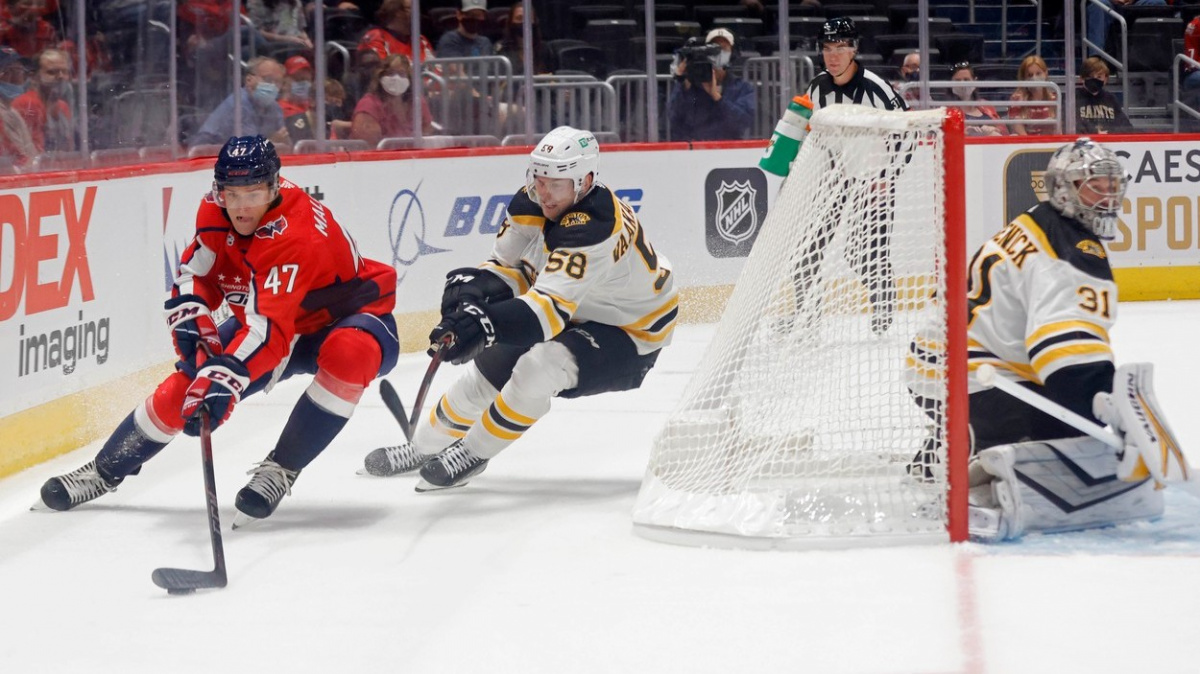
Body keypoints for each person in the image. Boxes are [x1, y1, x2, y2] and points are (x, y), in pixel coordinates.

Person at [35, 135, 400, 526]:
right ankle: (104, 470)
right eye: (232, 193)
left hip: (346, 318)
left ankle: (281, 469)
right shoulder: (215, 208)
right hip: (273, 319)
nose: (241, 207)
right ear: (218, 189)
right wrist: (191, 311)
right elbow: (198, 273)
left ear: (275, 187)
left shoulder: (293, 236)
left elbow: (270, 334)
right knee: (187, 385)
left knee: (349, 354)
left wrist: (226, 378)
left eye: (254, 193)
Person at [361, 126, 677, 490]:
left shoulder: (596, 226)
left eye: (556, 184)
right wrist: (471, 295)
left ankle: (473, 452)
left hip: (631, 332)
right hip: (581, 306)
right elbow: (509, 269)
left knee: (539, 367)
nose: (543, 193)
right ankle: (422, 447)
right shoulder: (533, 202)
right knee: (488, 370)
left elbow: (546, 312)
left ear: (585, 181)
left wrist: (483, 325)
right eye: (539, 179)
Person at [907, 138, 1182, 540]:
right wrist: (1100, 410)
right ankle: (956, 451)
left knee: (1064, 423)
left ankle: (950, 440)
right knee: (1064, 445)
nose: (1107, 196)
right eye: (1095, 185)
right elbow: (1068, 359)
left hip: (944, 361)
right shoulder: (1070, 249)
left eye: (1112, 185)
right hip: (963, 373)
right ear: (1063, 189)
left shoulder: (1040, 219)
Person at [759, 17, 907, 335]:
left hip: (872, 181)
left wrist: (888, 175)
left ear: (853, 50)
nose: (832, 55)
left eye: (840, 47)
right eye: (827, 48)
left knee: (862, 253)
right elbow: (811, 134)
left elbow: (907, 132)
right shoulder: (818, 87)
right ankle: (806, 317)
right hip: (833, 180)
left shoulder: (876, 88)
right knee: (808, 250)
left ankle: (884, 309)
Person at [667, 28, 756, 141]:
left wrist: (717, 97)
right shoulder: (692, 87)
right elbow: (674, 118)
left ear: (732, 53)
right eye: (714, 48)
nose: (719, 53)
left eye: (723, 48)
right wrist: (683, 83)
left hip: (730, 150)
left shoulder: (742, 88)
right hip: (696, 150)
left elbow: (742, 122)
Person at [190, 56, 290, 147]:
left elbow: (286, 143)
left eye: (278, 82)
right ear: (249, 80)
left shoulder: (274, 107)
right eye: (267, 79)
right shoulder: (238, 106)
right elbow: (249, 150)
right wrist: (272, 141)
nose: (273, 85)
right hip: (206, 157)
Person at [349, 52, 434, 145]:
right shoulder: (369, 105)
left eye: (402, 74)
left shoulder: (417, 102)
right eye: (390, 73)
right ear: (380, 77)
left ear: (409, 79)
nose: (396, 78)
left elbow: (427, 135)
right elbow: (369, 147)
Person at [11, 47, 73, 153]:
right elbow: (30, 154)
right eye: (52, 72)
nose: (61, 77)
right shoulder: (27, 104)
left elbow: (68, 149)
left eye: (65, 71)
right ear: (35, 76)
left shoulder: (63, 106)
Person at [357, 0, 436, 71]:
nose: (416, 13)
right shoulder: (376, 37)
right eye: (410, 9)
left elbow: (436, 70)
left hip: (425, 86)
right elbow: (379, 73)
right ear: (396, 12)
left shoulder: (421, 40)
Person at [1085, 0, 1167, 56]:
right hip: (1109, 4)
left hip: (1135, 4)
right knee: (1098, 6)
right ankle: (1095, 60)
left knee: (1159, 2)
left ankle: (1158, 61)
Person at [0, 46, 36, 167]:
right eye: (11, 71)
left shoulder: (11, 111)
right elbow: (19, 163)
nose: (19, 78)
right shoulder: (3, 114)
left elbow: (30, 156)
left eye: (20, 71)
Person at [1075, 56, 1131, 134]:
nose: (1095, 80)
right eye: (1090, 77)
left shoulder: (1111, 99)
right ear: (1082, 79)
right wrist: (1094, 132)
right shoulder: (1074, 99)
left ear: (1106, 79)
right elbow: (1071, 126)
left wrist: (1109, 133)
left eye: (1099, 77)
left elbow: (1126, 127)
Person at [948, 61, 1005, 136]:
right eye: (958, 80)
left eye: (966, 80)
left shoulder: (986, 106)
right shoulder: (947, 111)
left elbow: (1003, 130)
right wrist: (965, 132)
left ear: (975, 81)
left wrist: (995, 130)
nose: (962, 84)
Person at [1008, 55, 1058, 136]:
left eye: (1038, 73)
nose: (1035, 78)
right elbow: (1019, 132)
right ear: (1024, 78)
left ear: (1046, 73)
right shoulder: (1017, 99)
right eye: (1030, 75)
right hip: (1026, 146)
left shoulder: (1054, 99)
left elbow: (1058, 131)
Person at [245, 0, 312, 52]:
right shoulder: (256, 3)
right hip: (272, 43)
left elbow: (300, 29)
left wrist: (306, 39)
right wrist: (287, 39)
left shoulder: (295, 2)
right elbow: (258, 32)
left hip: (296, 41)